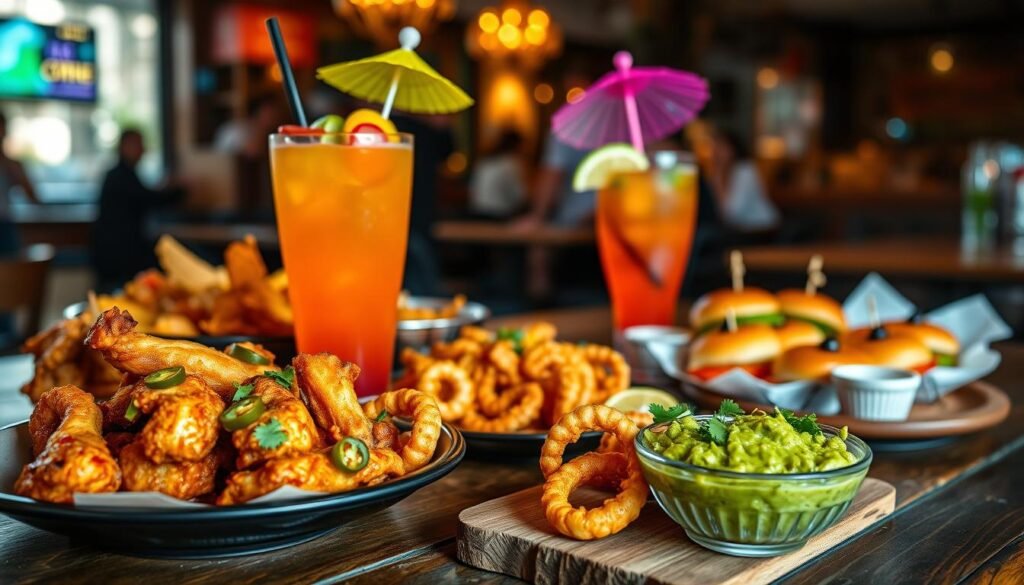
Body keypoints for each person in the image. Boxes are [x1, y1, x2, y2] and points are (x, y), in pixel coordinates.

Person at [92, 129, 183, 290]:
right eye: (138, 145)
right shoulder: (119, 176)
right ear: (123, 147)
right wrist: (179, 191)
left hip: (118, 253)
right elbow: (148, 199)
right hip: (118, 255)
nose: (143, 150)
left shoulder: (123, 175)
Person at [707, 130, 779, 232]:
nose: (715, 152)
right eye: (714, 147)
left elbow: (732, 213)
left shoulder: (746, 171)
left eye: (720, 147)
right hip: (740, 230)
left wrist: (718, 180)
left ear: (733, 149)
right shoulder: (718, 174)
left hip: (762, 229)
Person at [0, 112, 40, 254]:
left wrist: (17, 173)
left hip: (5, 225)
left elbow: (33, 197)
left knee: (12, 270)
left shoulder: (12, 165)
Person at [468, 130, 525, 219]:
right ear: (518, 145)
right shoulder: (511, 163)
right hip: (498, 215)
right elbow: (519, 195)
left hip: (475, 211)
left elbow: (472, 188)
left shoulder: (485, 160)